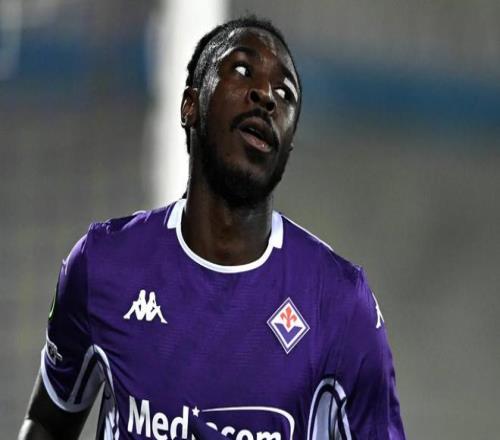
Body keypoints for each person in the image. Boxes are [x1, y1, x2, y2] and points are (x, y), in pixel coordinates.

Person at [18, 16, 405, 440]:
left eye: (285, 93)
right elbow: (49, 422)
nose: (266, 96)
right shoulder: (102, 265)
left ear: (288, 144)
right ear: (190, 106)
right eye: (242, 69)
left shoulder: (340, 304)